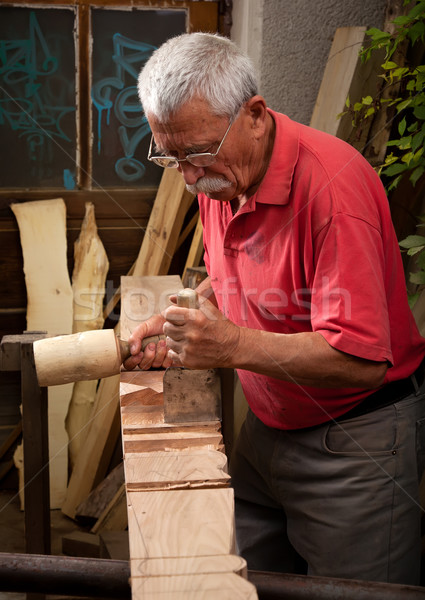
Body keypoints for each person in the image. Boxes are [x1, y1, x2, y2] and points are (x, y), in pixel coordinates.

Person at [124, 32, 425, 585]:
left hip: (354, 444)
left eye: (199, 153)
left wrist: (232, 345)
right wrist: (185, 323)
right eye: (171, 156)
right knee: (243, 585)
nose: (189, 177)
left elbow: (362, 358)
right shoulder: (222, 181)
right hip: (267, 431)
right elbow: (234, 273)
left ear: (256, 115)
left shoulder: (333, 191)